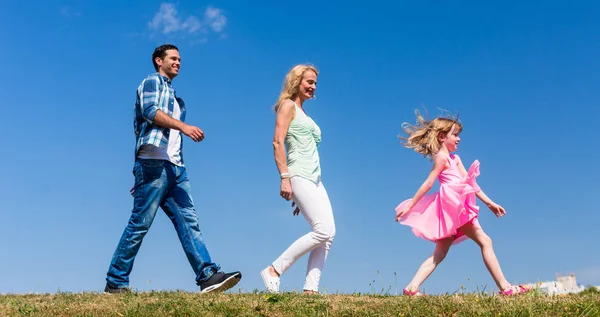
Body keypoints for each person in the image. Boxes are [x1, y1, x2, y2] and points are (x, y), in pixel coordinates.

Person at [104, 44, 241, 294]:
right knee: (140, 223)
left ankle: (207, 275)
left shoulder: (176, 97)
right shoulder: (152, 82)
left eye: (180, 59)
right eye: (173, 58)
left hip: (176, 168)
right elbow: (149, 112)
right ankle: (116, 281)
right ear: (159, 60)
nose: (178, 62)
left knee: (189, 222)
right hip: (154, 163)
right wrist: (184, 127)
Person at [394, 110, 531, 296]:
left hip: (456, 207)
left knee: (439, 254)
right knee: (485, 241)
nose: (458, 139)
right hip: (455, 208)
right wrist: (410, 206)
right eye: (455, 135)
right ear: (442, 137)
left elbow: (470, 182)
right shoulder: (442, 159)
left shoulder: (455, 159)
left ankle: (411, 288)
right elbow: (428, 183)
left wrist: (490, 203)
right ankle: (506, 288)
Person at [260, 64, 336, 294]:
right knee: (322, 230)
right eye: (309, 82)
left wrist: (300, 196)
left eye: (314, 83)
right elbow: (277, 142)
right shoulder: (287, 106)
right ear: (297, 82)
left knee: (328, 234)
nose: (313, 87)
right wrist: (285, 178)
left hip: (314, 179)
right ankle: (274, 269)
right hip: (298, 173)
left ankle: (310, 290)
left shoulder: (304, 113)